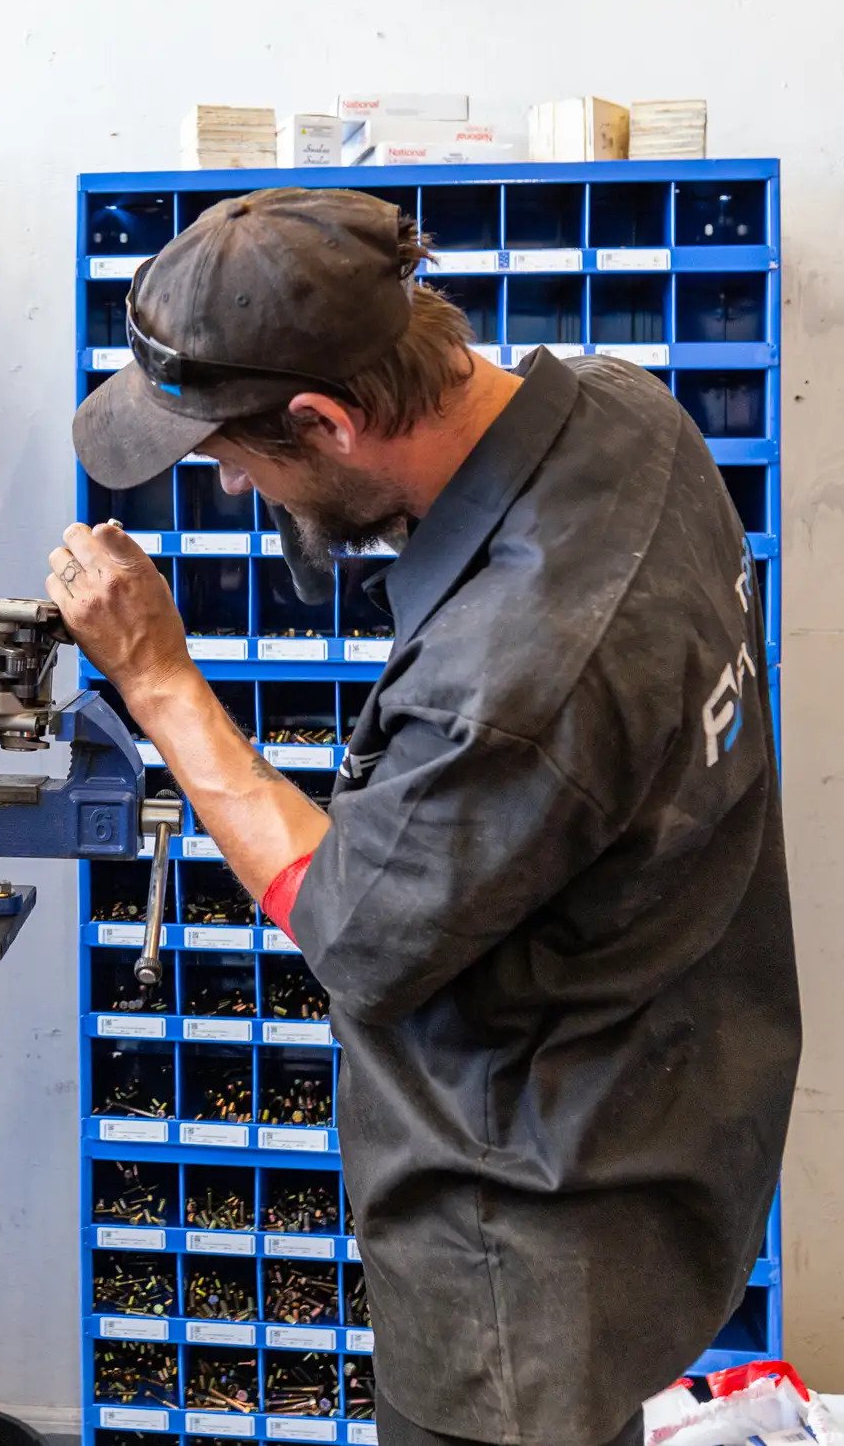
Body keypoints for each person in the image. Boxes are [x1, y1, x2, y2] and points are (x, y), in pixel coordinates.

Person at [49, 187, 799, 1446]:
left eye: (232, 454)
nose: (229, 484)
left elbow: (355, 933)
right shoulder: (629, 413)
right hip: (667, 1092)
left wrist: (158, 680)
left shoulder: (517, 680)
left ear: (327, 420)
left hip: (524, 1232)